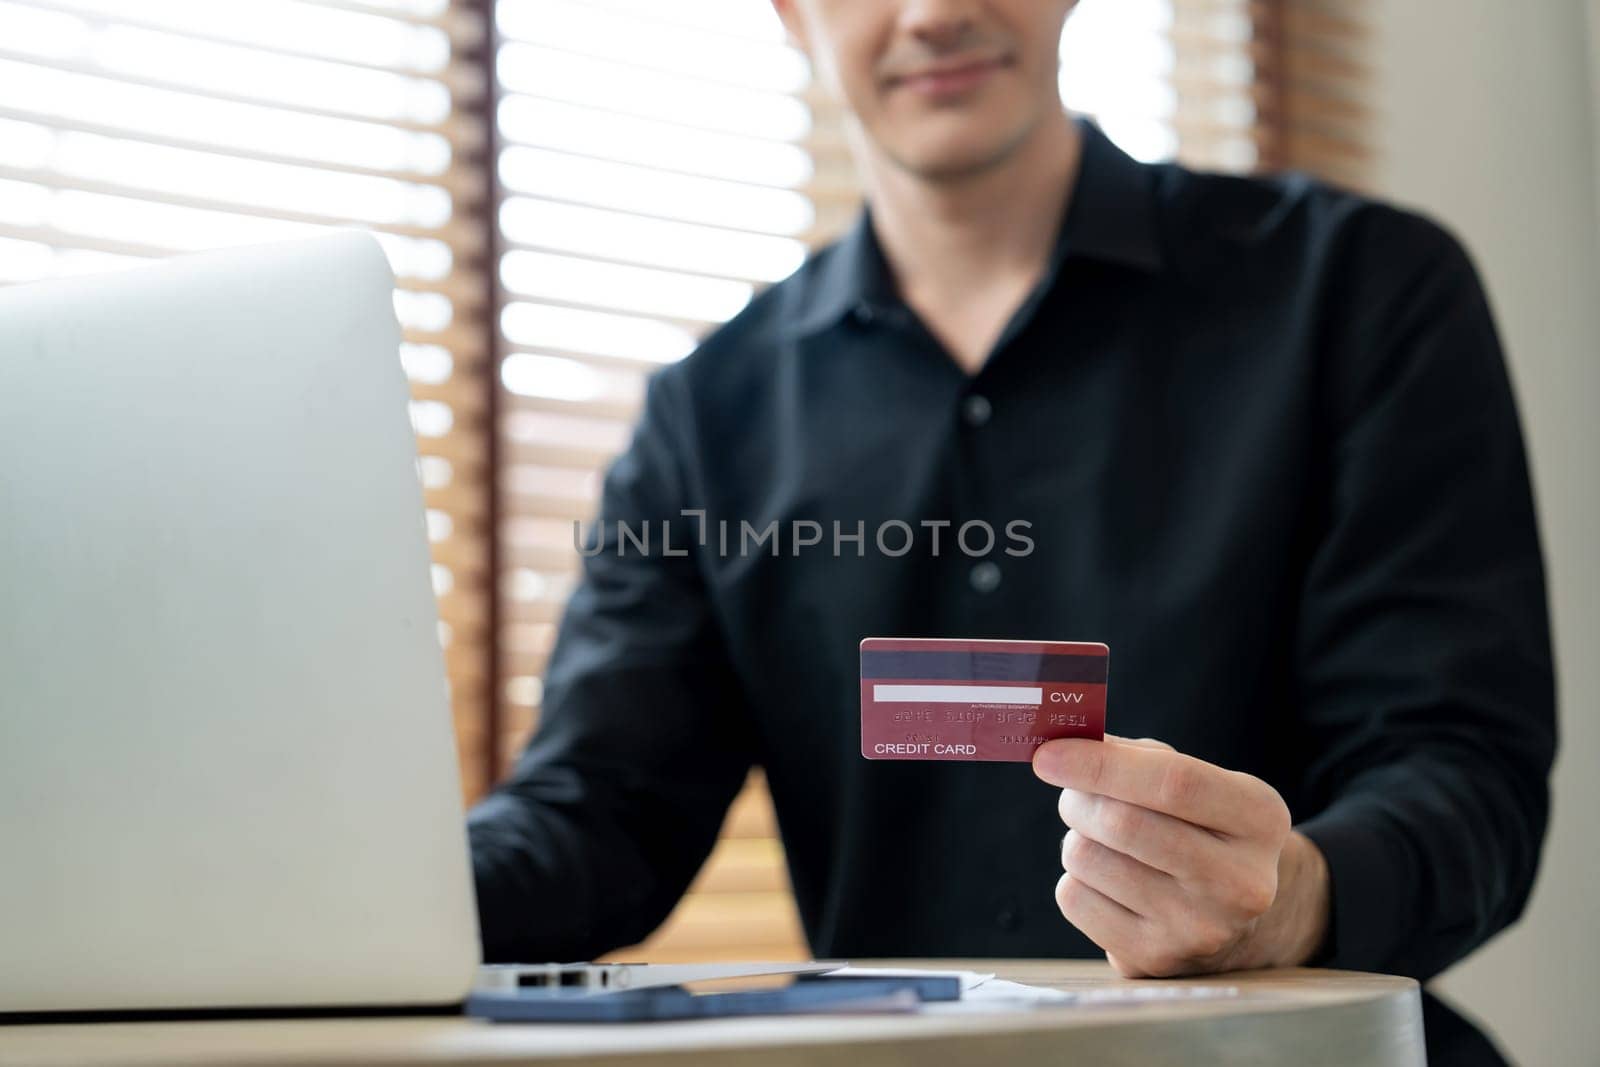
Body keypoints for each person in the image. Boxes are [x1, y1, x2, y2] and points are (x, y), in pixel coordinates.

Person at [468, 2, 1555, 1061]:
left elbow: (1463, 774)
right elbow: (594, 815)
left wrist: (1291, 898)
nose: (935, 12)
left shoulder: (1363, 290)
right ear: (788, 11)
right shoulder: (705, 418)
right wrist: (349, 897)